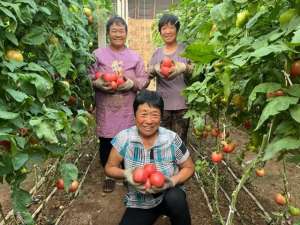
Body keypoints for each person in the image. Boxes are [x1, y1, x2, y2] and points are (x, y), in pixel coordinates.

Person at [105, 90, 195, 225]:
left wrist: (171, 181)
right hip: (141, 202)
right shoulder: (124, 138)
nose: (149, 121)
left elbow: (189, 167)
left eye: (154, 115)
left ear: (161, 117)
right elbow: (109, 168)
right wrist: (126, 173)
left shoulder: (172, 138)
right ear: (135, 115)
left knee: (175, 198)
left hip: (169, 195)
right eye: (143, 114)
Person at [89, 16, 148, 193]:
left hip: (127, 108)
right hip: (107, 107)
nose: (118, 34)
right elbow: (88, 75)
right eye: (114, 31)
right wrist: (96, 83)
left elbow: (143, 78)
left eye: (121, 31)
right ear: (108, 33)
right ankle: (109, 175)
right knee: (107, 141)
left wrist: (132, 84)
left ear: (126, 34)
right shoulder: (97, 55)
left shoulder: (134, 56)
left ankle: (128, 174)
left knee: (129, 141)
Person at [148, 14, 193, 144]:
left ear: (177, 29)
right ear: (160, 32)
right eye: (164, 28)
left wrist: (185, 67)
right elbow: (147, 75)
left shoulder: (186, 50)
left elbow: (197, 74)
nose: (167, 31)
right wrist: (154, 69)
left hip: (182, 105)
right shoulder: (157, 53)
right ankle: (164, 165)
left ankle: (180, 165)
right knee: (162, 142)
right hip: (162, 106)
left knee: (180, 142)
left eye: (171, 27)